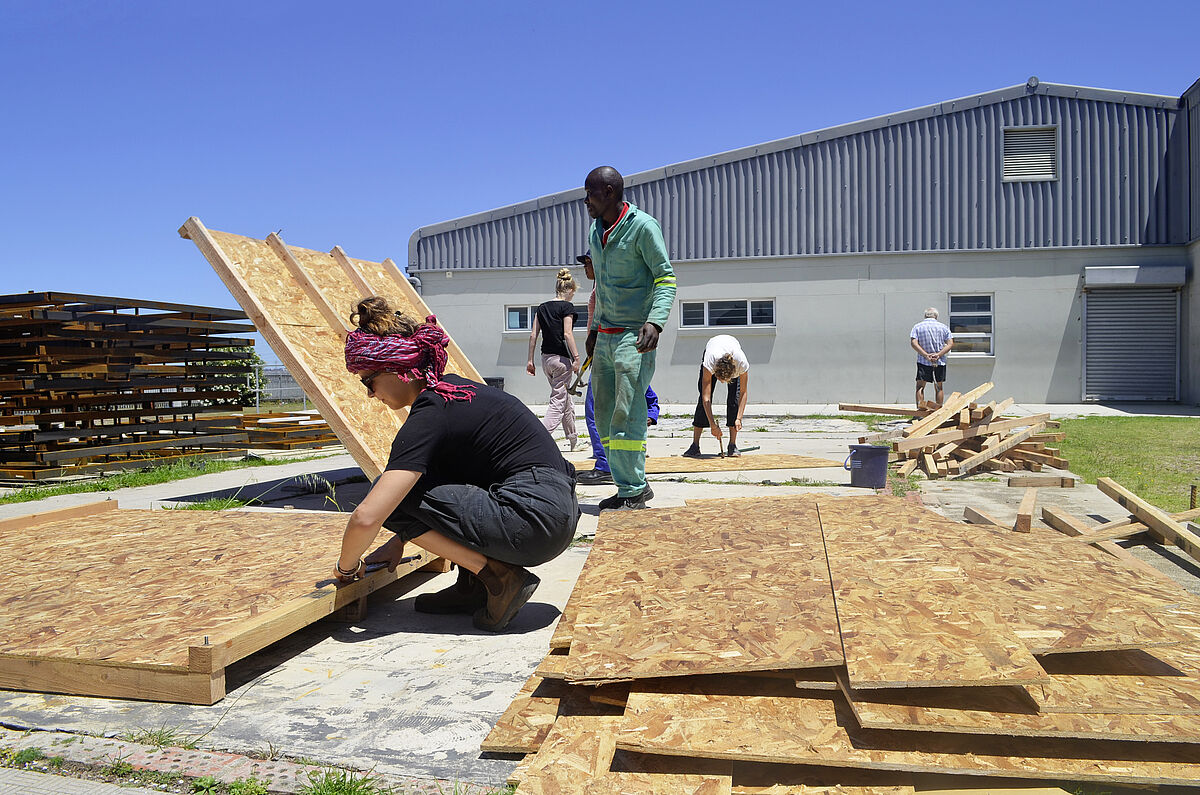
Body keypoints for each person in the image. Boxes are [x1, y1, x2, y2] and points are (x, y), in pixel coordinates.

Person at [336, 297, 580, 632]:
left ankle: (497, 578)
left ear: (399, 370)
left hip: (531, 519)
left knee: (388, 492)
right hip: (554, 514)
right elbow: (451, 486)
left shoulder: (432, 410)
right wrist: (399, 541)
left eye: (369, 381)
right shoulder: (458, 395)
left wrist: (347, 569)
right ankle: (472, 589)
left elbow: (367, 516)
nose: (369, 393)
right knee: (429, 480)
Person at [583, 166, 676, 510]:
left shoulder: (642, 227)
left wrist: (656, 322)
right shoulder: (597, 230)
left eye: (590, 194)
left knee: (627, 412)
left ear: (608, 192)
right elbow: (602, 287)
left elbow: (665, 279)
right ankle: (627, 485)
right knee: (604, 415)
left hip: (632, 338)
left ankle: (634, 489)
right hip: (604, 337)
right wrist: (592, 332)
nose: (586, 202)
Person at [576, 251, 661, 486]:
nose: (585, 267)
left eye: (589, 262)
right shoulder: (599, 287)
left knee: (597, 410)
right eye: (584, 263)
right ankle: (614, 465)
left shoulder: (607, 286)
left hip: (615, 352)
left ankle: (606, 464)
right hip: (606, 353)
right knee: (622, 403)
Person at [526, 267, 582, 450]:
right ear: (570, 290)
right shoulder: (567, 307)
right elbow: (567, 333)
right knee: (558, 401)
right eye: (573, 293)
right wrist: (576, 358)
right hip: (562, 361)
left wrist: (530, 361)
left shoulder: (542, 308)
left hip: (546, 360)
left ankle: (573, 440)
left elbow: (533, 335)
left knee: (566, 400)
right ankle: (537, 439)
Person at [683, 334, 750, 458]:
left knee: (734, 399)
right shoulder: (709, 363)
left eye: (726, 380)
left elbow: (743, 393)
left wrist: (739, 418)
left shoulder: (741, 363)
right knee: (702, 401)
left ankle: (732, 445)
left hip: (732, 351)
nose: (722, 383)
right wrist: (713, 425)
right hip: (713, 348)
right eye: (720, 379)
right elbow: (706, 398)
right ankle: (695, 445)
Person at [910, 307, 954, 409]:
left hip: (923, 361)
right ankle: (938, 412)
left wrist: (925, 355)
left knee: (920, 387)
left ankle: (920, 411)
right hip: (939, 361)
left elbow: (913, 343)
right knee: (939, 387)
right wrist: (939, 354)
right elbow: (950, 343)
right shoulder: (944, 327)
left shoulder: (917, 327)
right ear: (936, 316)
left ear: (925, 315)